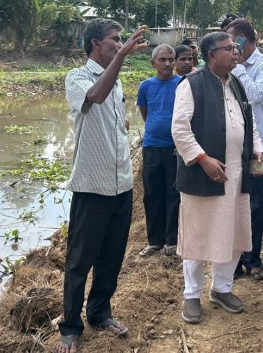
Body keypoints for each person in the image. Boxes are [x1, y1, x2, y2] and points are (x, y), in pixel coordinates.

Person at [58, 19, 148, 353]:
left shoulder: (117, 79)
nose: (120, 43)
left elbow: (113, 117)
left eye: (121, 40)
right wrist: (123, 55)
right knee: (80, 260)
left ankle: (100, 313)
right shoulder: (78, 77)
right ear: (96, 42)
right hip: (92, 186)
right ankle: (70, 326)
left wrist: (121, 123)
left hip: (120, 185)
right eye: (115, 39)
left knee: (111, 256)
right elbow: (95, 97)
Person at [171, 31, 263, 325]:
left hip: (236, 173)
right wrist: (202, 158)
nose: (236, 51)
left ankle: (222, 288)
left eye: (236, 47)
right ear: (212, 55)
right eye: (228, 48)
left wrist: (258, 148)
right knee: (197, 235)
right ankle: (192, 294)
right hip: (203, 174)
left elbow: (250, 123)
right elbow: (180, 130)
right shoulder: (191, 85)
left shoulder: (236, 83)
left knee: (233, 232)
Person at [225, 18, 263, 280]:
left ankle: (253, 258)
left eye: (233, 40)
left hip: (261, 148)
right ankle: (234, 261)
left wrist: (240, 65)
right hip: (234, 147)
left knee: (257, 205)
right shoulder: (228, 66)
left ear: (244, 39)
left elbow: (254, 95)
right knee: (234, 203)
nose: (230, 46)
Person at [137, 44, 182, 257]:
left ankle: (171, 241)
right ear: (153, 63)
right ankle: (154, 241)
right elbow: (145, 113)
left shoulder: (182, 84)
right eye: (162, 60)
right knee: (152, 194)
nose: (167, 64)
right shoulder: (145, 86)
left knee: (173, 194)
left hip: (175, 148)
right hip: (152, 146)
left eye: (170, 59)